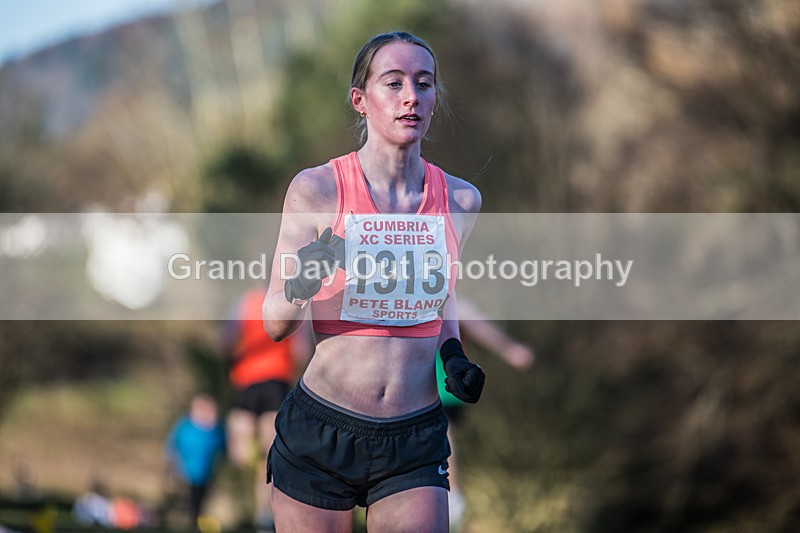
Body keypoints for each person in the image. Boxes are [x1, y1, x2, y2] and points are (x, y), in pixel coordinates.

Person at [262, 31, 484, 532]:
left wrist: (453, 356)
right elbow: (274, 322)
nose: (412, 96)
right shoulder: (318, 189)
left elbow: (441, 302)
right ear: (360, 101)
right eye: (394, 83)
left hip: (414, 439)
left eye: (424, 84)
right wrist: (306, 279)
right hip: (322, 433)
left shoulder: (461, 200)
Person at [439, 297, 535, 531]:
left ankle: (453, 505)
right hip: (405, 385)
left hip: (442, 386)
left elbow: (479, 326)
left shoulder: (450, 300)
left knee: (442, 439)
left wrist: (509, 349)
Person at [222, 287, 311, 531]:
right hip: (274, 381)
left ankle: (265, 517)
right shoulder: (295, 298)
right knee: (267, 456)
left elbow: (228, 338)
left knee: (250, 456)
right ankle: (265, 516)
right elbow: (300, 350)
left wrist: (229, 360)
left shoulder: (246, 301)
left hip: (249, 382)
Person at [164, 393, 226, 529]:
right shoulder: (184, 426)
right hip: (184, 475)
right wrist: (174, 467)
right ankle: (176, 522)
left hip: (206, 476)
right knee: (183, 502)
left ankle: (195, 524)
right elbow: (171, 446)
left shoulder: (217, 430)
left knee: (200, 503)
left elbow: (222, 449)